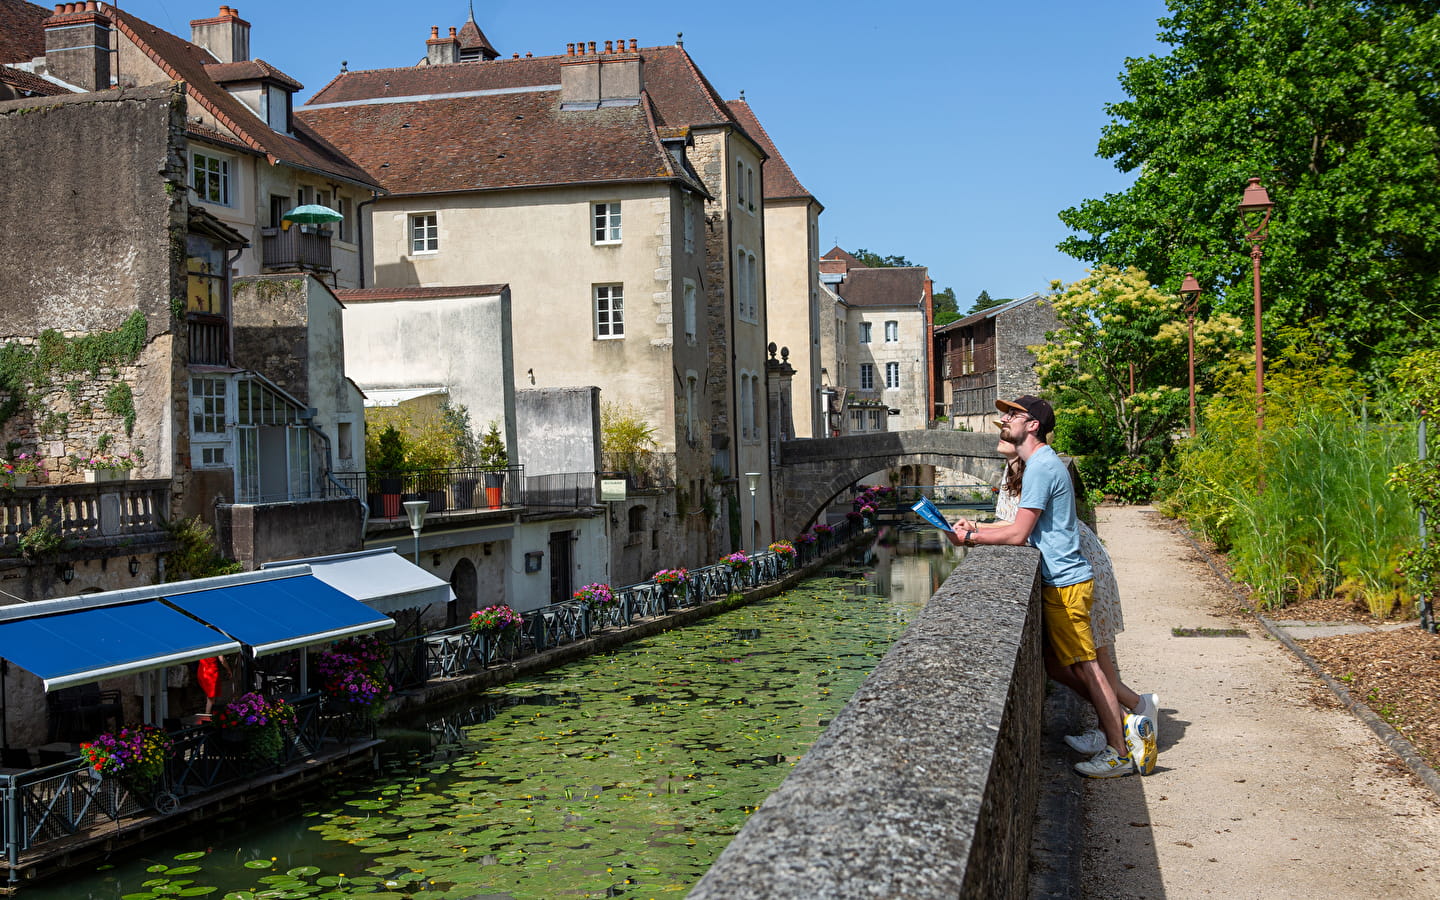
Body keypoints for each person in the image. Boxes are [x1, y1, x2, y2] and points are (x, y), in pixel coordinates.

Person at [950, 395, 1149, 778]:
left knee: (1090, 669)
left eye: (1013, 415)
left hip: (1066, 581)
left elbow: (1019, 533)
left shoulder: (1041, 466)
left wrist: (972, 540)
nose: (1005, 420)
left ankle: (1119, 751)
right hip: (1063, 579)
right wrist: (975, 527)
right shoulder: (1040, 462)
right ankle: (1124, 728)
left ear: (1033, 424)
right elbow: (1018, 526)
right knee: (1070, 665)